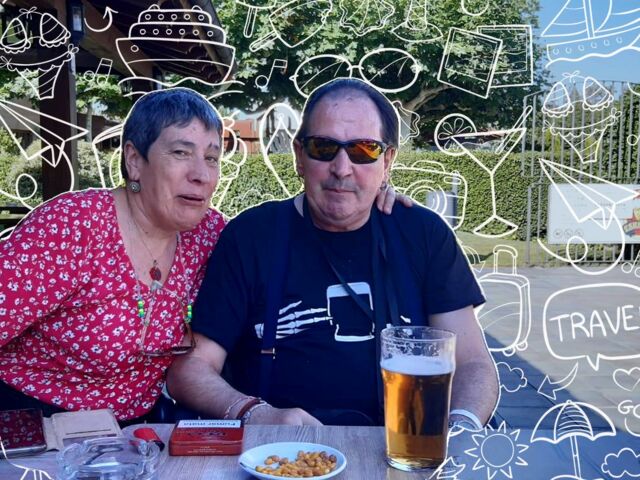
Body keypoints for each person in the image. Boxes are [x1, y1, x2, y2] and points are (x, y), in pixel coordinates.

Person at [167, 78, 499, 428]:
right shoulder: (251, 236)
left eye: (364, 150)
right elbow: (192, 367)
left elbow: (472, 363)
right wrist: (254, 413)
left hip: (404, 446)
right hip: (279, 451)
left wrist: (461, 429)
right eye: (324, 147)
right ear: (299, 156)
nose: (342, 168)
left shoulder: (422, 234)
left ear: (387, 161)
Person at [0, 88, 226, 421]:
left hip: (135, 433)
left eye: (212, 158)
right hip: (32, 423)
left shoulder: (208, 234)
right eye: (181, 152)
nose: (201, 175)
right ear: (134, 160)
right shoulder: (73, 226)